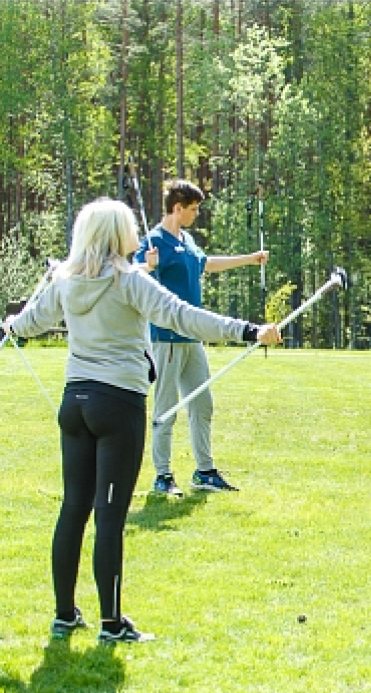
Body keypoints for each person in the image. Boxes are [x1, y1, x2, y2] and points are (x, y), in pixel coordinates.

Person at [3, 198, 280, 642]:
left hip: (74, 404)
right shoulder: (129, 281)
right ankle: (111, 624)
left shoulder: (65, 280)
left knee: (73, 508)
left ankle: (64, 615)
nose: (138, 232)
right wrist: (248, 330)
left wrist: (10, 324)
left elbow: (29, 323)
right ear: (117, 234)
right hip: (117, 406)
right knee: (109, 516)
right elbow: (184, 317)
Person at [136, 179, 269, 497]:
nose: (197, 214)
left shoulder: (188, 240)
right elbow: (132, 275)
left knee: (202, 404)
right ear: (177, 208)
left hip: (191, 337)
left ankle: (205, 471)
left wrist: (249, 258)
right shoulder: (154, 241)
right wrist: (147, 264)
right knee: (165, 408)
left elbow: (206, 264)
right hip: (165, 337)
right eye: (193, 209)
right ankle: (163, 476)